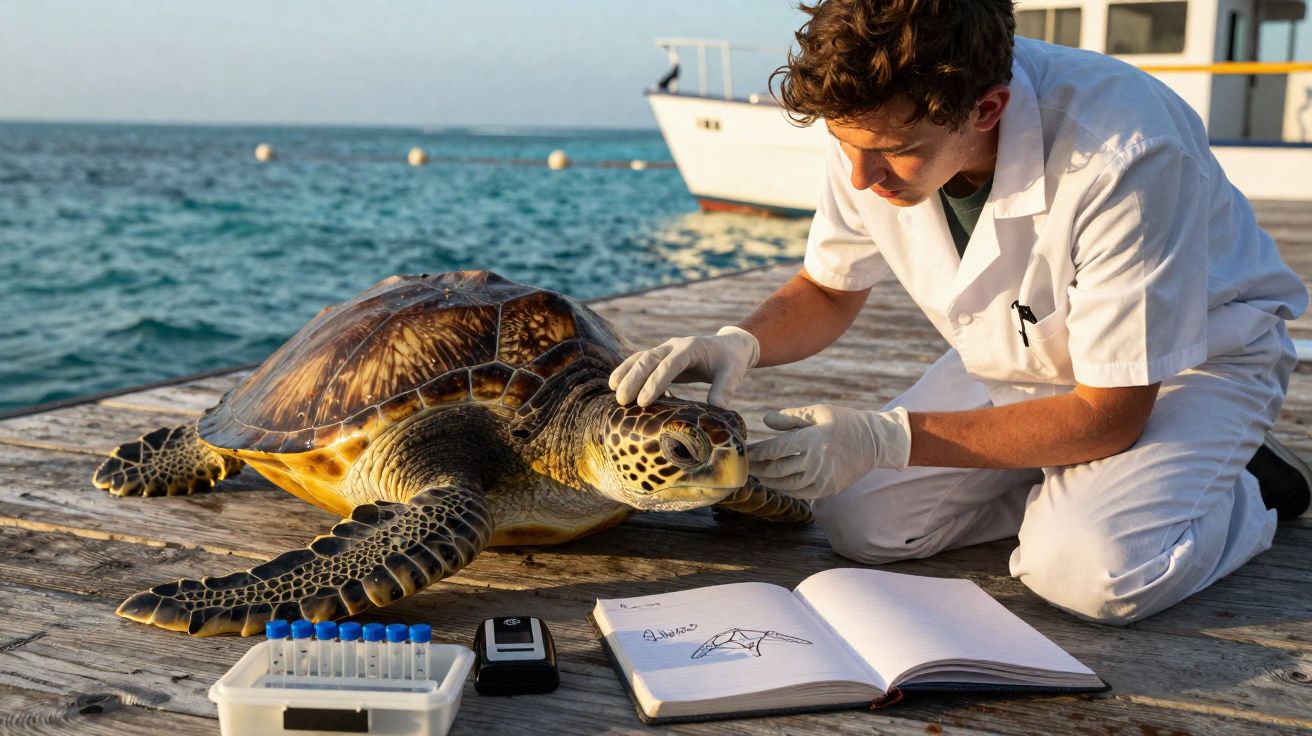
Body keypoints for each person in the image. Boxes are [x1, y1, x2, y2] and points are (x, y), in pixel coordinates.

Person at [610, 0, 1311, 625]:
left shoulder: (1126, 149)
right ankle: (1073, 487)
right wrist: (737, 342)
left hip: (1192, 360)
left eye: (894, 154)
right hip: (1024, 349)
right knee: (860, 523)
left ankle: (1245, 490)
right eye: (845, 146)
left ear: (987, 109)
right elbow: (828, 289)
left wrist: (886, 439)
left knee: (1088, 573)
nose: (861, 178)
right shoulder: (875, 126)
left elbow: (1111, 412)